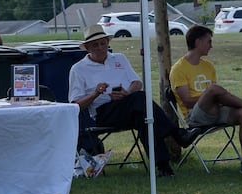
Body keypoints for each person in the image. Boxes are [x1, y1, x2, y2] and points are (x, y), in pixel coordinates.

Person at [68, 26, 181, 178]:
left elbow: (137, 82)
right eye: (95, 45)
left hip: (129, 105)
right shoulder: (78, 69)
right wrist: (96, 93)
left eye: (103, 43)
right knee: (140, 98)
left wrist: (126, 93)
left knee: (144, 118)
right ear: (87, 48)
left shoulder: (119, 58)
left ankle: (163, 167)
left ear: (108, 42)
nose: (101, 48)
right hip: (103, 112)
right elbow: (76, 105)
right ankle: (177, 134)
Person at [171, 25, 242, 174]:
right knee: (213, 89)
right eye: (209, 42)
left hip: (215, 110)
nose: (211, 46)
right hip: (195, 116)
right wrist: (212, 95)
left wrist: (217, 97)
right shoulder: (179, 69)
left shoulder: (208, 66)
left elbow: (216, 96)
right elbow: (187, 101)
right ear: (198, 42)